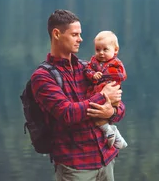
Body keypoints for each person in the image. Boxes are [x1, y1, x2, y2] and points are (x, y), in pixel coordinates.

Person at [31, 10, 126, 181]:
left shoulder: (87, 68)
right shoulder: (42, 77)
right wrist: (102, 96)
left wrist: (110, 113)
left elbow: (119, 107)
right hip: (75, 168)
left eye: (80, 34)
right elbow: (67, 113)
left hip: (106, 160)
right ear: (57, 34)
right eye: (75, 34)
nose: (80, 39)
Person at [83, 31, 128, 150]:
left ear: (115, 50)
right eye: (98, 50)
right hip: (96, 93)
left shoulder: (116, 63)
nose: (101, 53)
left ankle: (112, 133)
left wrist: (105, 76)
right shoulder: (93, 62)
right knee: (97, 115)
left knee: (104, 113)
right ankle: (112, 133)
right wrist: (93, 75)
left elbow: (122, 76)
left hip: (112, 95)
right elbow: (87, 70)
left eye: (105, 50)